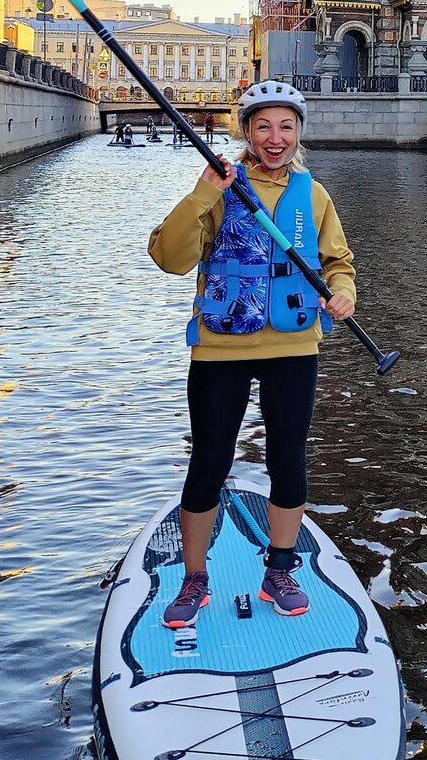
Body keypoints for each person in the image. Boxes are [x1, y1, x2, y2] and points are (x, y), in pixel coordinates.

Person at [147, 80, 356, 627]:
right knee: (210, 462)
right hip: (221, 348)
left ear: (298, 134)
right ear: (245, 131)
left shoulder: (312, 196)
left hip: (293, 345)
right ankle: (194, 579)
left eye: (286, 126)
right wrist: (202, 193)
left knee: (288, 459)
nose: (275, 137)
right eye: (263, 125)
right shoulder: (220, 186)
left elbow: (338, 263)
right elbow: (168, 258)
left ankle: (280, 569)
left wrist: (344, 293)